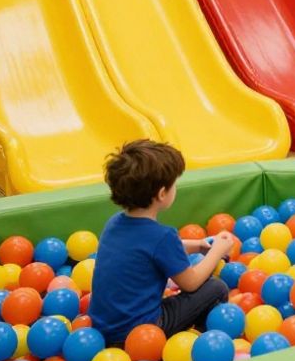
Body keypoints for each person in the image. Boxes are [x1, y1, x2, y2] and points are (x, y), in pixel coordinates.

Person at [89, 140, 237, 346]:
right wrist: (217, 251)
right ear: (161, 193)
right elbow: (191, 282)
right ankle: (204, 342)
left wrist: (199, 245)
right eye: (174, 183)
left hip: (104, 331)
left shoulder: (114, 223)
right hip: (143, 334)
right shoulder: (162, 236)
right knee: (216, 288)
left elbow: (148, 251)